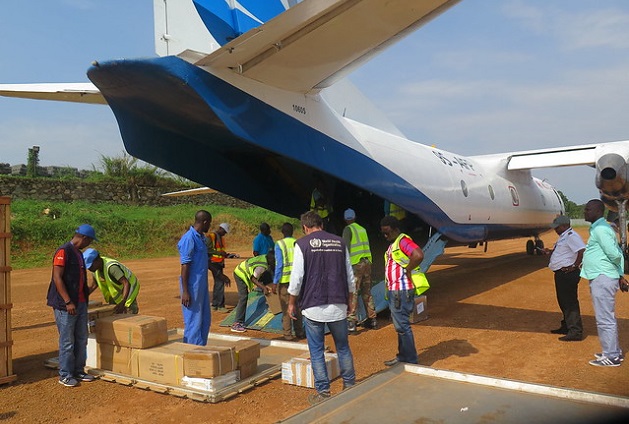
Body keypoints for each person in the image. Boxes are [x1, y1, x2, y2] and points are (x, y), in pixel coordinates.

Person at [288, 211, 356, 405]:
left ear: (305, 227)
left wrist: (292, 302)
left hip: (313, 306)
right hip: (338, 304)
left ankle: (324, 392)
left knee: (316, 351)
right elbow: (350, 276)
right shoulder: (339, 243)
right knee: (343, 347)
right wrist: (351, 299)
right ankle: (350, 385)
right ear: (322, 225)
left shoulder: (302, 244)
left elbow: (297, 277)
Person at [46, 224, 98, 387]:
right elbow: (57, 278)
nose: (89, 244)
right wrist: (68, 301)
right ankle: (65, 375)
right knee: (67, 341)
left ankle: (78, 370)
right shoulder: (63, 252)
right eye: (89, 241)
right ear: (84, 238)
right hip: (66, 305)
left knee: (82, 338)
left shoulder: (78, 254)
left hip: (81, 303)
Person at [581, 199, 626, 367]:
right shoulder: (600, 228)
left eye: (588, 209)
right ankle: (612, 351)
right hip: (603, 275)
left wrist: (619, 273)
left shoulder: (600, 229)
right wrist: (620, 275)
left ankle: (612, 356)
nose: (585, 212)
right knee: (605, 317)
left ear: (598, 211)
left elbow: (615, 254)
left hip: (602, 277)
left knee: (604, 319)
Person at [380, 215, 423, 366]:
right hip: (395, 290)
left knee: (402, 325)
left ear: (396, 229)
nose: (386, 236)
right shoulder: (395, 243)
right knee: (400, 326)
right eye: (383, 233)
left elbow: (418, 255)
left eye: (388, 232)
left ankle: (410, 359)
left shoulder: (403, 241)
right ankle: (403, 356)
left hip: (401, 290)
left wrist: (408, 270)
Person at [542, 216, 585, 341]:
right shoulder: (564, 237)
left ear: (565, 226)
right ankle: (567, 326)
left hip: (567, 274)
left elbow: (581, 250)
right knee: (563, 301)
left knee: (569, 303)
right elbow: (563, 252)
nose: (555, 229)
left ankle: (575, 331)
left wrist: (574, 265)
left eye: (557, 227)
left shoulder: (571, 236)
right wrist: (549, 252)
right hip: (561, 274)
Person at [177, 210, 212, 346]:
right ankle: (190, 353)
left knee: (204, 320)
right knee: (193, 321)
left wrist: (218, 273)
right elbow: (185, 266)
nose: (209, 226)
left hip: (201, 286)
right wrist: (185, 291)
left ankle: (201, 350)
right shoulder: (189, 238)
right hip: (192, 287)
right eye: (209, 223)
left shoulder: (201, 238)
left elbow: (203, 260)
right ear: (204, 222)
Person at [342, 208, 377, 333]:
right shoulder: (362, 229)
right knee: (367, 292)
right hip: (367, 262)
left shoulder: (348, 229)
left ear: (346, 219)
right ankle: (372, 319)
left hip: (356, 264)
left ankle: (351, 322)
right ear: (355, 217)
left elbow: (345, 247)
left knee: (353, 292)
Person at [272, 222, 305, 340]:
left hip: (285, 281)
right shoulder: (298, 243)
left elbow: (279, 265)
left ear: (282, 232)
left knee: (286, 308)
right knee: (297, 306)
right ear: (292, 232)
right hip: (297, 280)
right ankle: (299, 332)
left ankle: (288, 334)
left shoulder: (279, 244)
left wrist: (275, 282)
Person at [83, 248, 140, 314]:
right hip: (116, 295)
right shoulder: (95, 269)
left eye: (90, 266)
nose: (89, 269)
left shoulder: (112, 268)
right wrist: (82, 297)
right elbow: (93, 285)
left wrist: (123, 302)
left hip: (128, 292)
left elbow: (126, 283)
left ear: (97, 260)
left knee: (129, 315)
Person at [231, 251, 275, 333]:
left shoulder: (266, 257)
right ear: (271, 262)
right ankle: (237, 323)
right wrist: (263, 288)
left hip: (249, 270)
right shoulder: (261, 267)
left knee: (267, 274)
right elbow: (253, 278)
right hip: (240, 273)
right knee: (243, 297)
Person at [207, 222, 232, 313]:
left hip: (219, 262)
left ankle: (215, 304)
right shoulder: (212, 236)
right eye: (224, 232)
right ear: (221, 229)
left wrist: (226, 254)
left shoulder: (220, 237)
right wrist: (218, 254)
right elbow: (207, 250)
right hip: (213, 263)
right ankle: (220, 305)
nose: (225, 234)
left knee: (218, 283)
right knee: (220, 282)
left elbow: (220, 250)